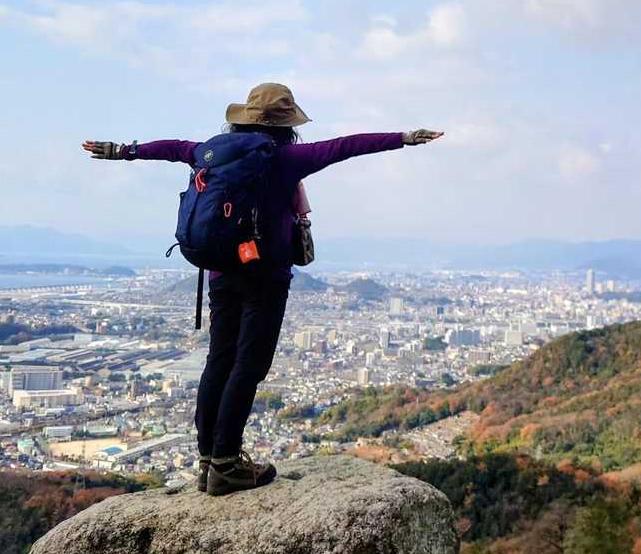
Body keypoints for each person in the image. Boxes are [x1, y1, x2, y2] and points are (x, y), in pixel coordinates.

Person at [82, 82, 442, 496]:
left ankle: (208, 460)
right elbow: (347, 146)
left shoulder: (210, 152)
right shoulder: (286, 158)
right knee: (248, 366)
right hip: (266, 275)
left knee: (219, 361)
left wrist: (123, 151)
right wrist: (404, 138)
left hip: (220, 272)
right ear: (286, 124)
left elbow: (173, 147)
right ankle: (227, 464)